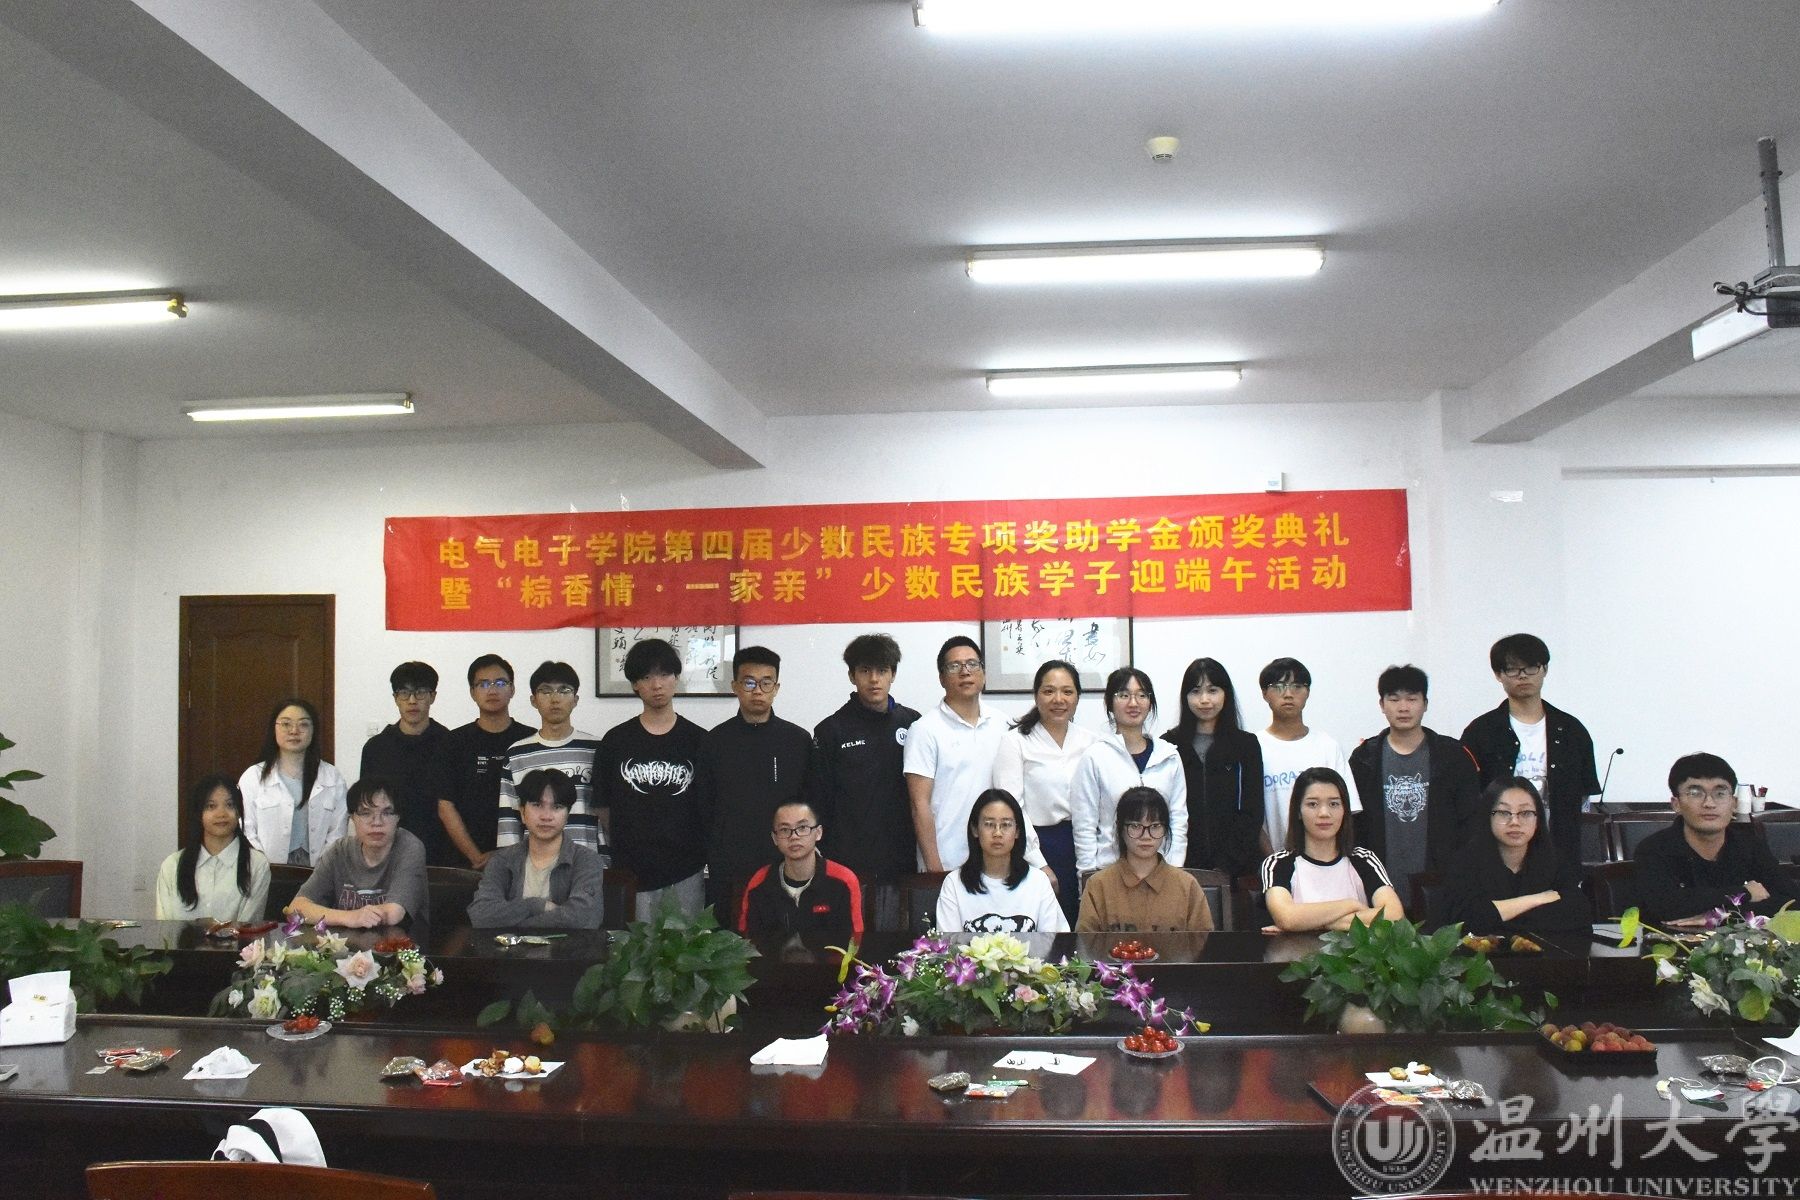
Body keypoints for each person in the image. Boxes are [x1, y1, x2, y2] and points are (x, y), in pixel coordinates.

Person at [904, 636, 1048, 876]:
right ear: (941, 678)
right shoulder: (924, 730)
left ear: (984, 673)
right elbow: (919, 805)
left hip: (997, 862)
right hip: (947, 862)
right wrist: (934, 870)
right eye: (954, 666)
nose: (965, 672)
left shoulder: (1002, 724)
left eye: (972, 664)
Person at [1460, 633, 1600, 870]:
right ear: (1498, 675)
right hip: (1495, 857)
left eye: (1531, 667)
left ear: (1545, 669)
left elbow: (1583, 799)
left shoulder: (1572, 731)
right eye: (1512, 669)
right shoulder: (1480, 732)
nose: (1523, 675)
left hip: (1559, 852)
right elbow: (1467, 797)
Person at [694, 644, 814, 914]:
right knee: (728, 933)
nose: (758, 691)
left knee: (784, 934)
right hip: (729, 864)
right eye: (749, 682)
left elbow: (809, 800)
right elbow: (704, 805)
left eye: (766, 682)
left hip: (785, 861)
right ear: (735, 686)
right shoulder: (715, 741)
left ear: (776, 688)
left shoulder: (797, 740)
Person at [1347, 665, 1483, 899]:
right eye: (1394, 699)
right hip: (1378, 884)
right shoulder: (1363, 759)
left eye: (1412, 699)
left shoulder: (1453, 756)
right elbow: (1354, 825)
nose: (1403, 707)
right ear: (1382, 705)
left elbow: (1471, 822)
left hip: (1441, 883)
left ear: (1425, 703)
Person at [598, 638, 707, 919]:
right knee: (633, 945)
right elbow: (603, 808)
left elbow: (710, 804)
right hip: (631, 871)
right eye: (646, 677)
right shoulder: (615, 741)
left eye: (664, 674)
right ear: (635, 684)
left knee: (687, 945)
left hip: (686, 869)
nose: (657, 685)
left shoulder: (699, 741)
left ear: (676, 678)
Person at [808, 633, 921, 896]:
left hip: (903, 861)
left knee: (900, 923)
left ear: (893, 674)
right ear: (852, 675)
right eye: (865, 670)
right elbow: (818, 800)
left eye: (882, 671)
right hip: (848, 863)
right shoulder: (830, 730)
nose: (874, 679)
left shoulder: (914, 723)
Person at [1634, 752, 1799, 924]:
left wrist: (1719, 917)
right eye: (1695, 793)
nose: (1709, 803)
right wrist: (1745, 893)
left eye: (1720, 794)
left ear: (1734, 803)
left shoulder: (1749, 845)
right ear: (1677, 804)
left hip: (1741, 940)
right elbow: (1666, 907)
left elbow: (1792, 903)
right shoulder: (1654, 849)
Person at [993, 659, 1096, 923]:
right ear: (1036, 695)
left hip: (1085, 845)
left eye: (1067, 691)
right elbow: (1011, 808)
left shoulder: (1091, 742)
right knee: (1042, 927)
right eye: (1049, 691)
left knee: (1085, 924)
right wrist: (1039, 864)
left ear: (1078, 697)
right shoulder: (1015, 741)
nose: (1058, 699)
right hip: (1037, 846)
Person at [1435, 777, 1590, 933]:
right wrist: (1537, 899)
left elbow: (1579, 916)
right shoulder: (1465, 861)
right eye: (1504, 812)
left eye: (1525, 813)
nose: (1515, 821)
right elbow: (1466, 922)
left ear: (1538, 818)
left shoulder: (1554, 859)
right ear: (1487, 816)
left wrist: (1501, 915)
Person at [1070, 667, 1187, 872]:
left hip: (1162, 871)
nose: (1133, 703)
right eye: (1124, 695)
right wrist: (1087, 876)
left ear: (1150, 703)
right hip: (1110, 870)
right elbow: (1084, 825)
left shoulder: (1169, 756)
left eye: (1141, 695)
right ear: (1110, 703)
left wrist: (1175, 869)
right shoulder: (1095, 757)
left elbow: (1178, 819)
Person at [1261, 767, 1402, 933]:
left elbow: (1394, 916)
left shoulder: (1364, 859)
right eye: (1312, 804)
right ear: (1298, 811)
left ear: (1344, 810)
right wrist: (1351, 905)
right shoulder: (1277, 863)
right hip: (1299, 951)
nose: (1324, 813)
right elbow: (1287, 918)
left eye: (1334, 804)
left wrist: (1312, 923)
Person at [1162, 657, 1264, 880]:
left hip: (1237, 870)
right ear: (1185, 696)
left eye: (1213, 690)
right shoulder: (1169, 745)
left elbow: (1253, 811)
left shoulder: (1245, 745)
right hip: (1181, 867)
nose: (1204, 700)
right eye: (1195, 691)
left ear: (1226, 694)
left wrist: (1227, 865)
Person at [468, 768, 605, 929]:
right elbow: (480, 915)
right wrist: (534, 905)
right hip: (509, 947)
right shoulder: (502, 860)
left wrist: (517, 926)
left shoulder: (586, 860)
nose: (546, 816)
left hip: (566, 946)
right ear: (522, 812)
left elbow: (584, 919)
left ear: (567, 815)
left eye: (557, 807)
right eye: (537, 805)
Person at [494, 661, 603, 859]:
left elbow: (605, 813)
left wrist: (604, 864)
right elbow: (509, 821)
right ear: (533, 700)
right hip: (534, 865)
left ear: (575, 699)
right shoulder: (517, 754)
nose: (555, 698)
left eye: (564, 690)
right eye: (545, 691)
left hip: (587, 863)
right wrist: (509, 867)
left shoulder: (597, 749)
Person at [289, 777, 428, 928]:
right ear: (352, 818)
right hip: (347, 943)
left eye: (387, 813)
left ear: (398, 818)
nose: (377, 822)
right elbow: (296, 908)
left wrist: (354, 917)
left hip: (399, 941)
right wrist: (350, 917)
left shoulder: (410, 847)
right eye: (366, 813)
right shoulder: (339, 851)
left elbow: (394, 913)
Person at [440, 654, 534, 871]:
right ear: (472, 692)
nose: (492, 690)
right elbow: (445, 805)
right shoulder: (453, 742)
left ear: (512, 689)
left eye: (500, 683)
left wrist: (513, 855)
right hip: (466, 862)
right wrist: (476, 857)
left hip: (524, 861)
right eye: (483, 684)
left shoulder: (530, 740)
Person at [1255, 658, 1360, 851]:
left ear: (1308, 692)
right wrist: (1274, 860)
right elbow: (1250, 816)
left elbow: (1347, 809)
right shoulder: (1254, 747)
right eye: (1278, 686)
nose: (1288, 694)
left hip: (1325, 858)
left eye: (1297, 686)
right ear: (1264, 693)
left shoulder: (1327, 746)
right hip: (1270, 858)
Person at [1076, 786, 1213, 933]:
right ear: (1120, 828)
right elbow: (1085, 943)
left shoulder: (1187, 885)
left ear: (1166, 829)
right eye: (1136, 826)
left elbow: (1204, 943)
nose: (1146, 836)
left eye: (1155, 826)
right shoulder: (1098, 885)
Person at [935, 789, 1068, 934]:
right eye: (989, 824)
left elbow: (1054, 941)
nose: (997, 833)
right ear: (975, 829)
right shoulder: (954, 883)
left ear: (1017, 831)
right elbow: (947, 945)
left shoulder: (1038, 882)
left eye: (1006, 825)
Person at [359, 661, 454, 862]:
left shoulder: (451, 744)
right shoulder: (376, 748)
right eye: (404, 693)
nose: (412, 701)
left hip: (442, 853)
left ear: (433, 696)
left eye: (420, 692)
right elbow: (367, 806)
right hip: (389, 854)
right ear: (395, 698)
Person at [238, 697, 347, 867]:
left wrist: (322, 869)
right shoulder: (253, 777)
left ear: (313, 730)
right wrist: (263, 867)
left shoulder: (332, 777)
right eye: (286, 724)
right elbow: (246, 830)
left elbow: (338, 831)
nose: (294, 731)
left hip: (321, 870)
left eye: (303, 724)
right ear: (274, 728)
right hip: (266, 869)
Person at [737, 800, 864, 941]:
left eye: (802, 827)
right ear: (775, 838)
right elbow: (745, 942)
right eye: (784, 830)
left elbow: (854, 941)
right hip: (771, 956)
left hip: (830, 956)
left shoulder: (844, 880)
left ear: (818, 833)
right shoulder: (760, 882)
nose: (794, 836)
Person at [155, 773, 271, 921]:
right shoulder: (172, 865)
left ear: (239, 812)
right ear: (198, 813)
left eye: (230, 805)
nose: (221, 814)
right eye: (211, 806)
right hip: (179, 938)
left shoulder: (256, 865)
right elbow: (165, 926)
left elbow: (248, 927)